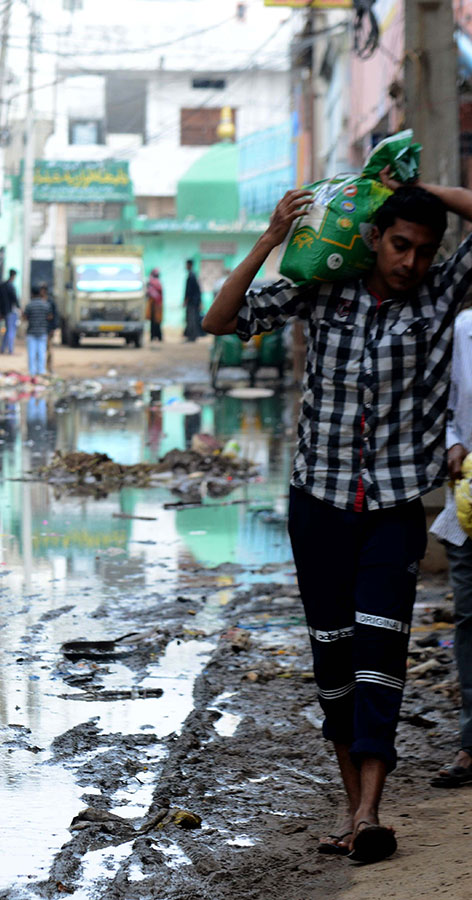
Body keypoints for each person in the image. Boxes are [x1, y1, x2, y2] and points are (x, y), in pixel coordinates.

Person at [204, 176, 472, 864]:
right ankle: (355, 809)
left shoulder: (441, 295)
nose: (410, 263)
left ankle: (369, 812)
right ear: (374, 239)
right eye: (400, 245)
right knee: (334, 660)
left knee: (383, 657)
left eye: (423, 250)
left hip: (393, 509)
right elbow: (221, 319)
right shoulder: (324, 287)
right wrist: (269, 238)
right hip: (317, 505)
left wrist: (422, 189)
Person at [430, 308, 472, 791]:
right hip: (467, 500)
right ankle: (471, 743)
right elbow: (442, 404)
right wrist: (453, 442)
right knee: (470, 616)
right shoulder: (462, 328)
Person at [24, 283, 55, 377]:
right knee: (41, 352)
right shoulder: (45, 305)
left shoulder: (29, 305)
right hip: (42, 331)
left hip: (31, 332)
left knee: (31, 353)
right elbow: (50, 316)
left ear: (32, 293)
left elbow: (25, 317)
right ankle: (41, 371)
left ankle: (32, 372)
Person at [0, 268, 21, 353]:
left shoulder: (2, 286)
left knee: (7, 330)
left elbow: (0, 301)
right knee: (11, 331)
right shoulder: (11, 286)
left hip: (4, 311)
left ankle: (3, 348)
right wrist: (19, 308)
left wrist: (1, 312)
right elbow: (14, 299)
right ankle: (10, 350)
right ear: (14, 276)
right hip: (11, 311)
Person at [183, 259, 203, 341]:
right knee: (192, 318)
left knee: (191, 319)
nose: (186, 267)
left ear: (190, 265)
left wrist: (186, 300)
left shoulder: (192, 276)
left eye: (187, 265)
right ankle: (191, 336)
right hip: (194, 301)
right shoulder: (193, 275)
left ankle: (192, 337)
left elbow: (190, 291)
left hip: (192, 302)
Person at [147, 268, 164, 343]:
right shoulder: (157, 283)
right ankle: (156, 336)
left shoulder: (152, 283)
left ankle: (155, 336)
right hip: (156, 306)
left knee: (155, 322)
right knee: (156, 322)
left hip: (155, 306)